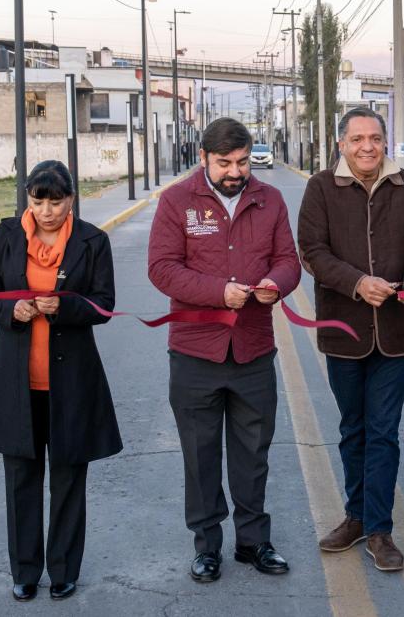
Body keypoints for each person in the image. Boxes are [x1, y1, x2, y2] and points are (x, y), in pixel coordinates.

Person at [148, 117, 301, 582]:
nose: (236, 172)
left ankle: (253, 542)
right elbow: (161, 268)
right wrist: (220, 292)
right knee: (201, 453)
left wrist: (277, 283)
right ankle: (207, 545)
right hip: (195, 353)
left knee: (253, 453)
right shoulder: (177, 201)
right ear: (203, 159)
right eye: (225, 163)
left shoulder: (269, 199)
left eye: (241, 161)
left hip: (253, 350)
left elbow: (288, 260)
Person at [297, 107, 404, 572]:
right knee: (352, 430)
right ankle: (355, 516)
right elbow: (312, 252)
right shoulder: (321, 188)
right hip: (344, 330)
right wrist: (358, 283)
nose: (366, 147)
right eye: (356, 138)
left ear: (385, 142)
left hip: (395, 332)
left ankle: (378, 529)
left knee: (384, 432)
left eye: (375, 138)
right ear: (341, 144)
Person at [0, 160, 121, 602]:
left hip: (72, 381)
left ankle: (63, 570)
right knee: (21, 477)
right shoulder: (6, 236)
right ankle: (24, 571)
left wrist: (65, 308)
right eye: (38, 201)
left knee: (68, 477)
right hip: (16, 382)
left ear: (71, 200)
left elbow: (104, 304)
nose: (47, 211)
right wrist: (11, 311)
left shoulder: (93, 241)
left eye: (55, 202)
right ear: (28, 200)